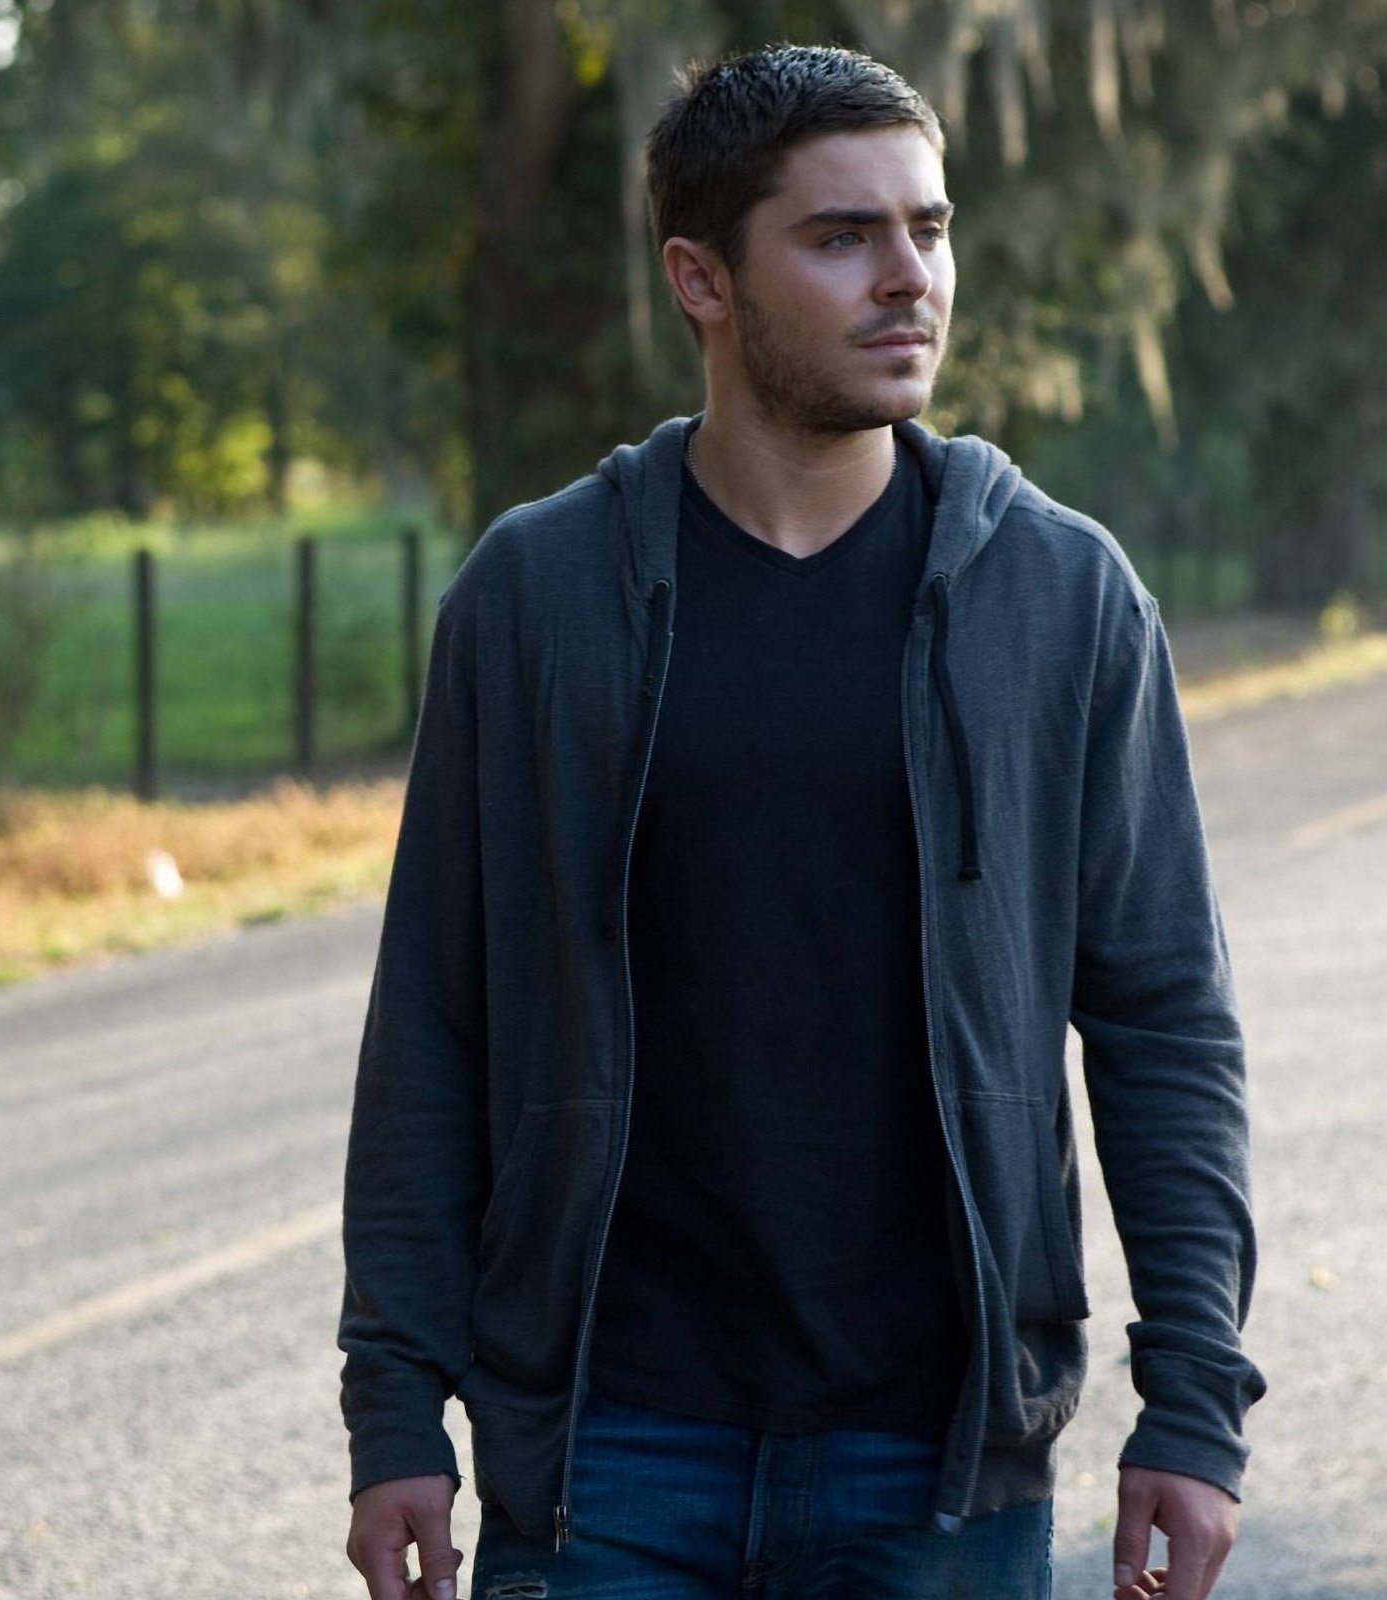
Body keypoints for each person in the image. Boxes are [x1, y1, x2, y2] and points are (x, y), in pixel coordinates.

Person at [338, 41, 1263, 1600]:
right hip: (610, 1454)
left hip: (940, 1462)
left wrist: (1195, 1401)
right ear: (700, 278)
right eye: (843, 237)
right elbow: (437, 1015)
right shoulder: (540, 596)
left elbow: (1165, 1017)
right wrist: (394, 1406)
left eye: (930, 229)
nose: (909, 279)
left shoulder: (1060, 597)